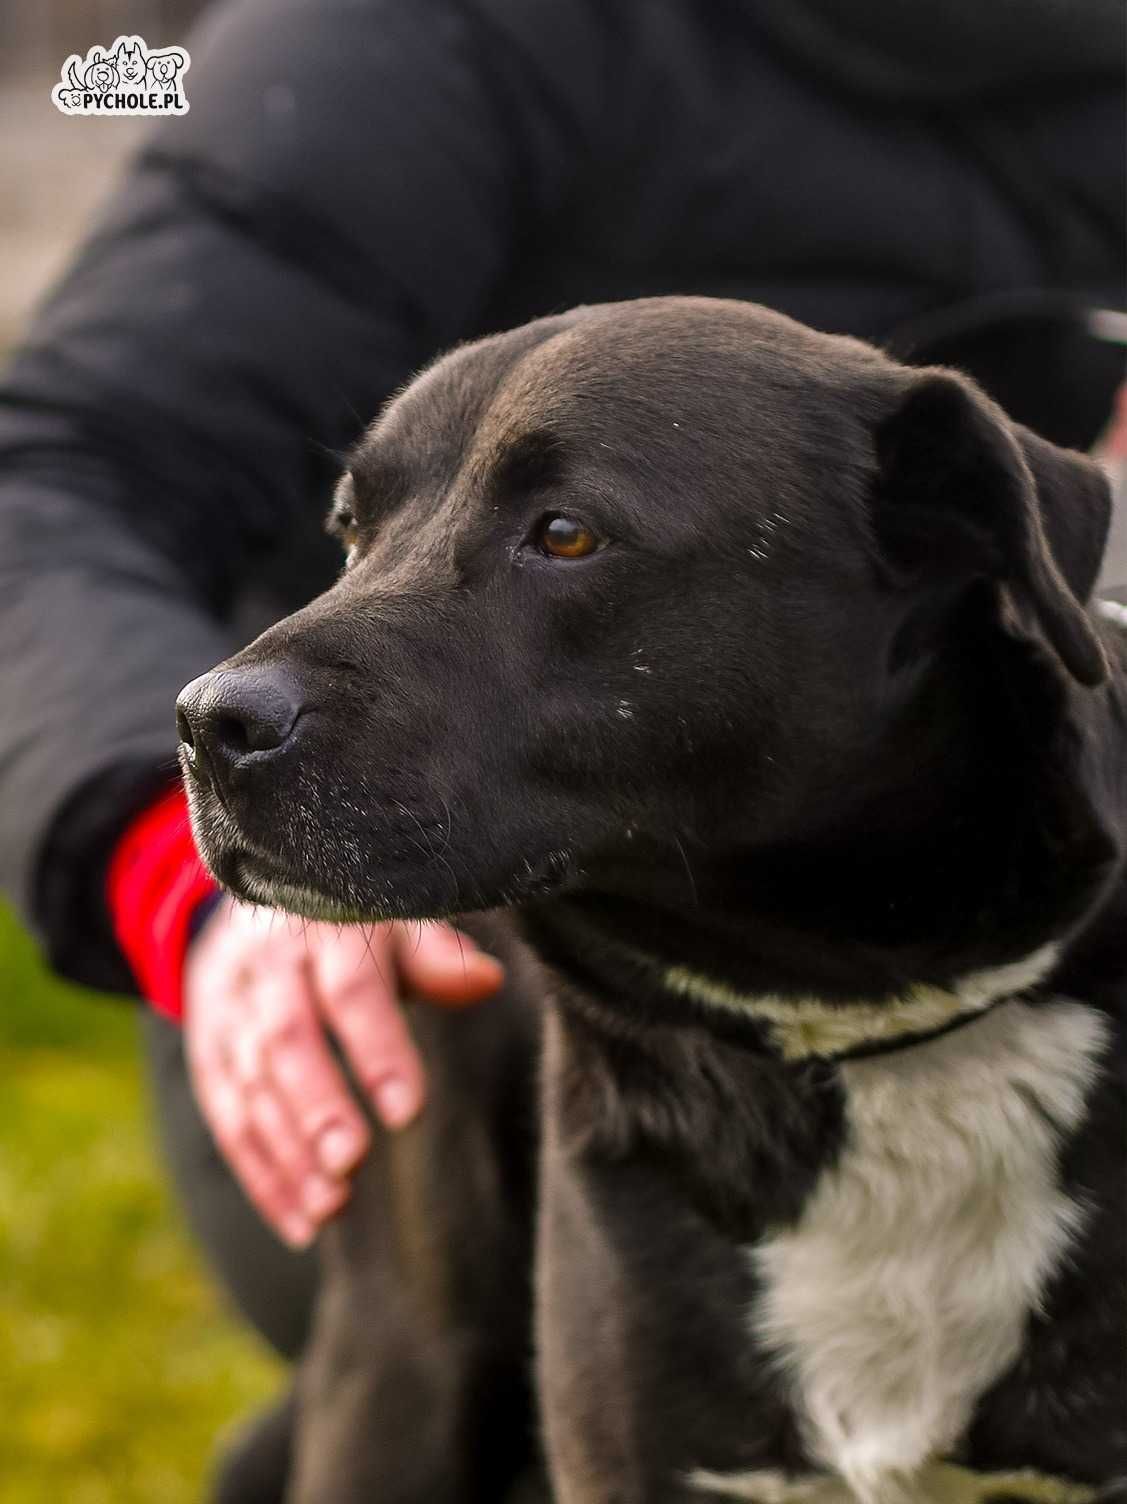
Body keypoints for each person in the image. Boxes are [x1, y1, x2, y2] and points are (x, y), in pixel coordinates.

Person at [0, 0, 1122, 1384]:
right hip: (439, 930)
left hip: (970, 891)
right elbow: (55, 480)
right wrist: (173, 865)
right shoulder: (422, 39)